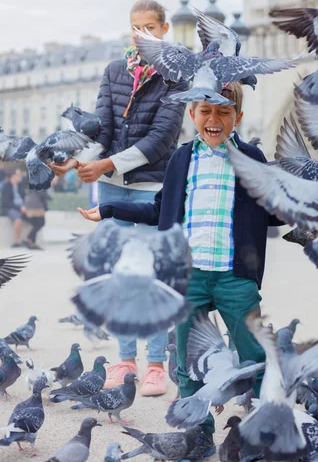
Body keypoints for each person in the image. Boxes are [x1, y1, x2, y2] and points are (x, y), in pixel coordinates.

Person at [78, 83, 283, 460]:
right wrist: (109, 210)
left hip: (236, 277)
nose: (214, 119)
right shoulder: (180, 160)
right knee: (188, 366)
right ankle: (199, 436)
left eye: (224, 111)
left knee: (256, 358)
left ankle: (261, 432)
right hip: (188, 278)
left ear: (237, 117)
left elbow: (279, 208)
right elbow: (159, 210)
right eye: (205, 110)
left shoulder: (252, 157)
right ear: (192, 115)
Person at [51, 0, 187, 397]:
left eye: (149, 26)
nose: (140, 33)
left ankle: (157, 366)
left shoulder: (176, 77)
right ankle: (126, 361)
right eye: (135, 27)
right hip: (110, 187)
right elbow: (100, 129)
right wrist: (75, 161)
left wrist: (108, 164)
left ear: (164, 30)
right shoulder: (114, 71)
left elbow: (162, 139)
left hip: (151, 187)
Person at [2, 168, 27, 247]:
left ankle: (29, 239)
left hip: (22, 208)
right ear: (13, 176)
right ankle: (17, 241)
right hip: (11, 208)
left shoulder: (21, 186)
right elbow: (6, 202)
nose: (20, 176)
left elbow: (25, 198)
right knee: (18, 220)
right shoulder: (7, 186)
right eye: (19, 175)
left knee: (37, 218)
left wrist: (25, 207)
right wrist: (19, 208)